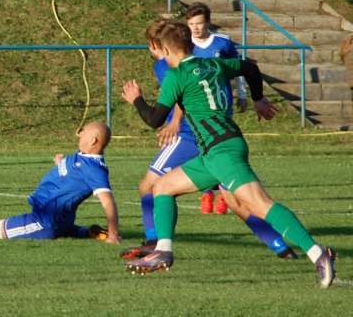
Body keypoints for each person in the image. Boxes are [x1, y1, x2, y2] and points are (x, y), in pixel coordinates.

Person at [120, 22, 336, 287]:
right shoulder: (212, 64)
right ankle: (163, 250)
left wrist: (136, 100)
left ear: (164, 48)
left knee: (259, 204)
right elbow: (250, 68)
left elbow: (154, 119)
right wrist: (258, 97)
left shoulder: (177, 76)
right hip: (215, 150)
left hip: (221, 150)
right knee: (162, 186)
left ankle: (318, 253)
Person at [0, 121, 120, 243]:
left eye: (83, 131)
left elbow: (107, 200)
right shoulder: (83, 157)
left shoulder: (95, 169)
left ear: (94, 140)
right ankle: (90, 232)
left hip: (43, 222)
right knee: (65, 230)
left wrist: (114, 233)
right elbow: (72, 176)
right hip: (58, 218)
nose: (79, 134)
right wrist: (61, 162)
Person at [184, 2, 247, 215]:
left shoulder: (223, 43)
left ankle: (222, 193)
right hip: (196, 109)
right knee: (201, 148)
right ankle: (207, 191)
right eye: (191, 23)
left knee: (219, 150)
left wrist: (243, 95)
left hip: (221, 106)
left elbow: (238, 70)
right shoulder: (185, 45)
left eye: (199, 23)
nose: (195, 28)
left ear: (208, 22)